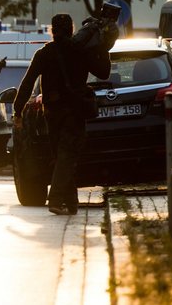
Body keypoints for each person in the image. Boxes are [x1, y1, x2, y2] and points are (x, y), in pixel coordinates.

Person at [13, 13, 111, 215]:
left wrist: (18, 110)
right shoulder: (81, 51)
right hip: (75, 111)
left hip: (52, 113)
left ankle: (71, 202)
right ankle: (56, 199)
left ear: (52, 30)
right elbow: (103, 72)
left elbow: (28, 82)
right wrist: (104, 48)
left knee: (61, 155)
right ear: (71, 29)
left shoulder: (44, 53)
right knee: (67, 155)